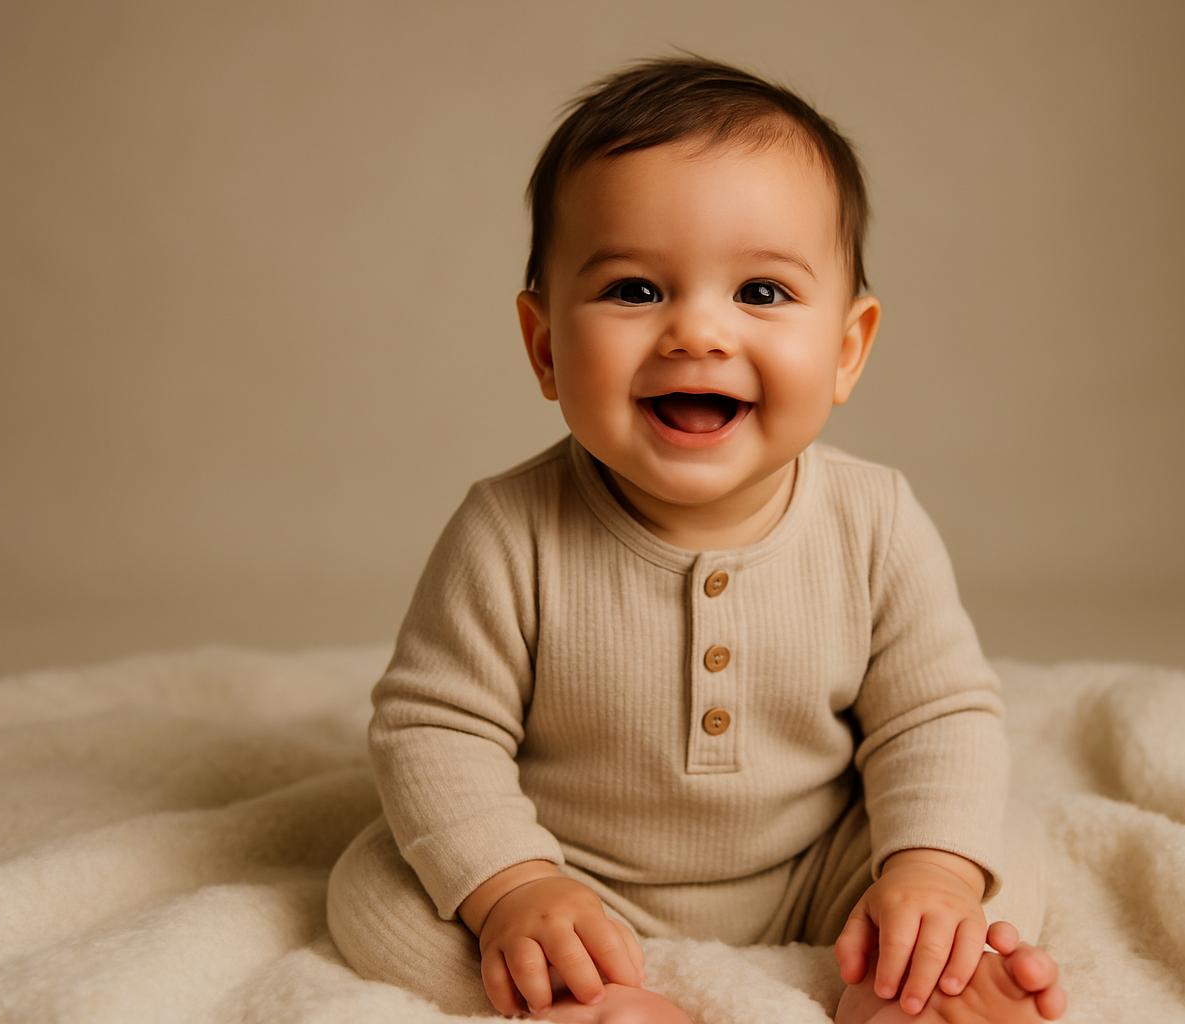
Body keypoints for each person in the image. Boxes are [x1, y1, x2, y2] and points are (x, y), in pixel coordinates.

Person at [327, 56, 1066, 1024]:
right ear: (545, 346)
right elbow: (434, 727)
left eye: (761, 293)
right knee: (378, 887)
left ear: (847, 348)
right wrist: (511, 886)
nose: (698, 333)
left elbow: (935, 715)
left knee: (993, 844)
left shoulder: (874, 519)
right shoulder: (507, 529)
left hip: (815, 865)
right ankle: (606, 998)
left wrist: (931, 869)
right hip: (573, 872)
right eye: (635, 291)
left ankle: (906, 988)